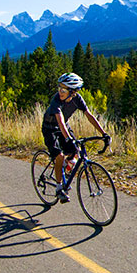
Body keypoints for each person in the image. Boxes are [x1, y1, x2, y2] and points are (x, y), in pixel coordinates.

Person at [42, 72, 109, 203]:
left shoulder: (77, 99)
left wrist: (104, 134)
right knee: (59, 156)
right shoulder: (56, 101)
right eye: (59, 88)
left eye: (64, 89)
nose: (60, 92)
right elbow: (60, 121)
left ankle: (65, 168)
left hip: (64, 127)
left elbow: (89, 115)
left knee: (75, 151)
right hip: (50, 129)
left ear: (72, 92)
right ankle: (59, 187)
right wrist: (68, 138)